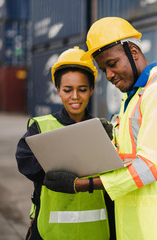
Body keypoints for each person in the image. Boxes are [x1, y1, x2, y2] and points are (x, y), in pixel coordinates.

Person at [44, 17, 157, 240]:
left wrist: (82, 185)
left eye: (112, 63)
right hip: (137, 224)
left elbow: (149, 167)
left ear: (133, 51)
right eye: (103, 69)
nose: (109, 75)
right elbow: (128, 158)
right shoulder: (134, 97)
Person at [15, 46, 115, 240]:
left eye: (83, 89)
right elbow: (25, 162)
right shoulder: (40, 127)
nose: (75, 96)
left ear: (92, 89)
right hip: (50, 232)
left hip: (99, 231)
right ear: (58, 90)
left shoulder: (105, 130)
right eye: (68, 90)